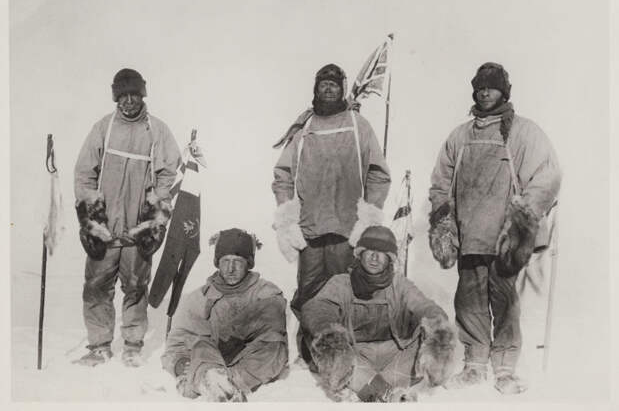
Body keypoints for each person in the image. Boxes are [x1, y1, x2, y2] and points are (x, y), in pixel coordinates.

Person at [428, 62, 561, 394]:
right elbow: (441, 183)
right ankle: (474, 363)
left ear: (504, 91)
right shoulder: (460, 136)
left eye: (492, 86)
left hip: (504, 238)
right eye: (480, 87)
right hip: (469, 233)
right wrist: (444, 220)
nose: (485, 92)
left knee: (504, 301)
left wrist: (523, 217)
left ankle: (505, 368)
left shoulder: (524, 132)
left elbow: (547, 176)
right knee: (468, 299)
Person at [272, 63, 391, 362]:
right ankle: (311, 352)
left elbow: (378, 173)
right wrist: (287, 216)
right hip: (310, 230)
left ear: (342, 88)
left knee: (347, 293)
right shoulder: (305, 128)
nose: (328, 89)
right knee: (310, 294)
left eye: (333, 84)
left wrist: (369, 217)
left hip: (346, 231)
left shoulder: (357, 124)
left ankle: (345, 352)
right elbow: (283, 174)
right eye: (322, 84)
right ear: (315, 89)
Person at [73, 68, 181, 367]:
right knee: (96, 286)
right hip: (105, 227)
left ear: (143, 95)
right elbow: (84, 173)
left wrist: (155, 215)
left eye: (135, 94)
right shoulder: (103, 129)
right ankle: (99, 346)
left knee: (135, 286)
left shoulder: (157, 130)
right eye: (123, 96)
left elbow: (167, 175)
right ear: (116, 98)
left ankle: (133, 345)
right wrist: (91, 216)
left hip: (137, 228)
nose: (130, 101)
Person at [301, 226, 456, 402]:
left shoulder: (399, 284)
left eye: (382, 253)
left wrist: (437, 331)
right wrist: (328, 332)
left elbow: (424, 306)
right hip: (356, 356)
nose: (375, 257)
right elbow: (317, 307)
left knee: (427, 338)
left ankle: (372, 389)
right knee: (328, 346)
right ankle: (385, 393)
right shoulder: (341, 283)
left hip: (395, 356)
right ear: (360, 254)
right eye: (370, 251)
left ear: (389, 259)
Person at [161, 228, 288, 402]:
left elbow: (272, 332)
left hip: (248, 360)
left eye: (238, 261)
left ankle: (218, 384)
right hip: (210, 358)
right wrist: (180, 364)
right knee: (201, 345)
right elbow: (176, 344)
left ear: (248, 263)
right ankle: (215, 383)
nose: (231, 268)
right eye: (225, 260)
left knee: (275, 348)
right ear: (217, 263)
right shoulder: (200, 297)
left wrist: (233, 333)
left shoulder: (265, 292)